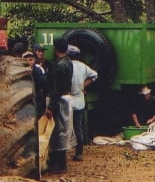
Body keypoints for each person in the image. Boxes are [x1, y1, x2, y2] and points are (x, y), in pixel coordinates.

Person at [45, 36, 75, 174]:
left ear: (55, 48)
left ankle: (58, 164)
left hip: (59, 100)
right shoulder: (68, 62)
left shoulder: (59, 66)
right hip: (67, 99)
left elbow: (55, 89)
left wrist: (51, 107)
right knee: (64, 131)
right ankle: (61, 162)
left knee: (57, 132)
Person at [67, 44, 98, 161]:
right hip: (79, 100)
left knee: (64, 127)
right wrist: (83, 86)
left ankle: (63, 152)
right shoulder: (83, 66)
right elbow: (94, 75)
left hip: (67, 100)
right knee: (78, 126)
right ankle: (79, 152)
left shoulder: (66, 65)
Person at [22, 50, 48, 119]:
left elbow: (45, 84)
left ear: (34, 60)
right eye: (26, 60)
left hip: (38, 100)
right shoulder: (21, 72)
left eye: (31, 60)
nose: (29, 62)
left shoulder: (38, 70)